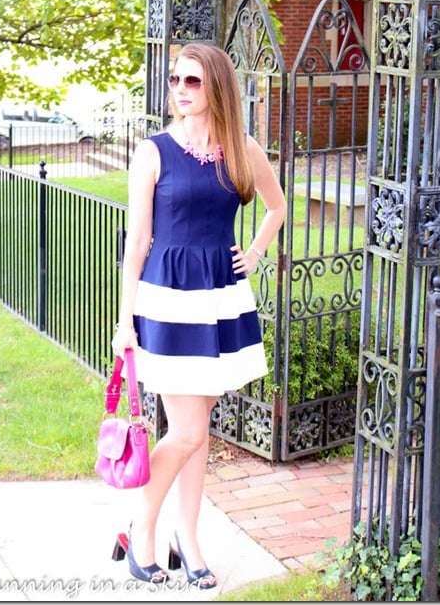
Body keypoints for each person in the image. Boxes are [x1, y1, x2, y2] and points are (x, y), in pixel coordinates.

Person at [110, 42, 287, 589]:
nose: (180, 91)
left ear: (216, 87)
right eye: (174, 81)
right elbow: (138, 240)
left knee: (198, 429)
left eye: (191, 81)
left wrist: (254, 252)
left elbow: (277, 205)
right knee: (186, 431)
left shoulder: (241, 148)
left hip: (220, 297)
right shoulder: (153, 151)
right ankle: (142, 532)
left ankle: (187, 537)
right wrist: (124, 320)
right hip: (168, 300)